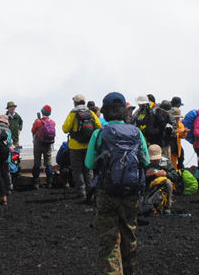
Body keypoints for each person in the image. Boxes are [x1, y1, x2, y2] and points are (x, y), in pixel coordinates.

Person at [85, 92, 150, 275]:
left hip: (106, 193)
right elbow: (145, 162)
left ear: (105, 112)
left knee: (109, 241)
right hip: (131, 194)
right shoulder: (136, 133)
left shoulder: (99, 134)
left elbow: (89, 164)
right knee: (129, 236)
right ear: (123, 111)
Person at [62, 93, 101, 201]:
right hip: (89, 146)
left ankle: (81, 192)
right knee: (88, 169)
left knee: (77, 170)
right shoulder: (91, 113)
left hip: (75, 146)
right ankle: (90, 191)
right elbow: (99, 126)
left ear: (75, 102)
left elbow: (65, 128)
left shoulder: (73, 114)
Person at [30, 105, 56, 188]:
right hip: (48, 144)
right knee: (48, 163)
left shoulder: (38, 122)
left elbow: (33, 130)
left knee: (37, 162)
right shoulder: (53, 122)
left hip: (38, 143)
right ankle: (49, 182)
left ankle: (36, 182)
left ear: (42, 112)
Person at [0, 114, 13, 204]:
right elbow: (9, 143)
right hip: (6, 153)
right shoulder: (8, 130)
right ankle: (8, 188)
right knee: (6, 171)